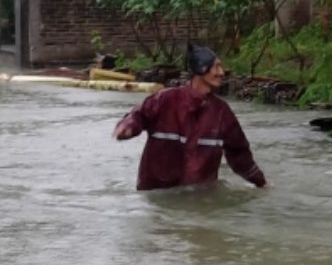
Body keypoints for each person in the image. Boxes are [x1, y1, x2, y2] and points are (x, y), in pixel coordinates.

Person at [113, 44, 268, 191]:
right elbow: (138, 115)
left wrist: (261, 182)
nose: (222, 72)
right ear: (201, 68)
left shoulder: (222, 112)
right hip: (159, 197)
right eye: (216, 66)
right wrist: (128, 126)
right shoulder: (165, 100)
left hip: (200, 199)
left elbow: (240, 155)